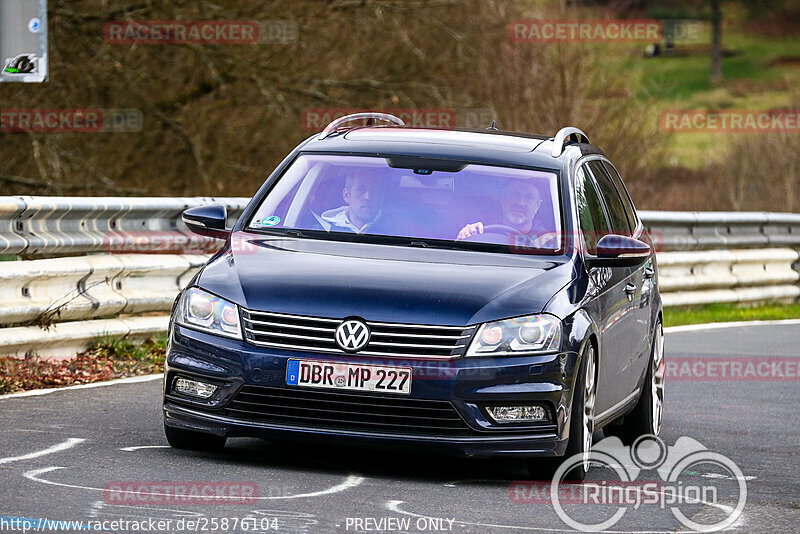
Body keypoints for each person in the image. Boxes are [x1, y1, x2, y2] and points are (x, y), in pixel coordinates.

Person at [457, 180, 543, 240]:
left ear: (537, 206)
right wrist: (464, 237)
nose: (520, 203)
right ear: (503, 199)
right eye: (514, 195)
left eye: (529, 198)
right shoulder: (481, 230)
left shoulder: (548, 241)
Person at [320, 172, 387, 233]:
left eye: (374, 191)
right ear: (347, 196)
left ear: (381, 199)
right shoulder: (323, 229)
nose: (368, 197)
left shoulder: (392, 231)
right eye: (361, 189)